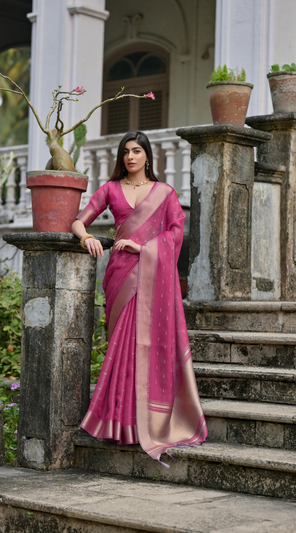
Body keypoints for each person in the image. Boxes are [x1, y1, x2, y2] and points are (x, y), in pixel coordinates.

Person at [71, 131, 207, 464]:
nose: (131, 157)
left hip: (148, 275)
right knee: (121, 347)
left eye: (137, 151)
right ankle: (118, 422)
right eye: (126, 152)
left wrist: (142, 247)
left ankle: (142, 423)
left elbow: (176, 232)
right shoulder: (111, 190)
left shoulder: (164, 193)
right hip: (119, 275)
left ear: (147, 155)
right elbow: (78, 220)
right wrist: (87, 237)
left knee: (140, 347)